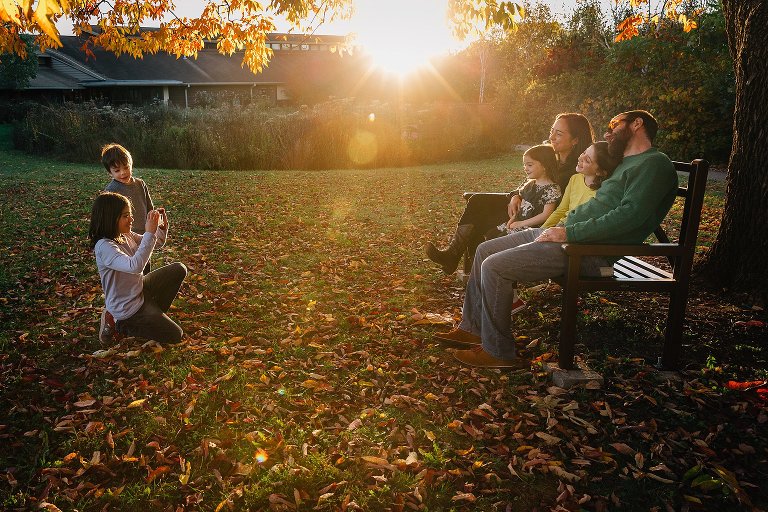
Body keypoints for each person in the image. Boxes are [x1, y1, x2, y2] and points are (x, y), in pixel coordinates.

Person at [435, 110, 678, 369]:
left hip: (590, 252)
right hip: (569, 235)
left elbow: (629, 217)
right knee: (485, 250)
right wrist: (560, 226)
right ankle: (473, 328)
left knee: (494, 266)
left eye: (615, 124)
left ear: (637, 124)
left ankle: (498, 352)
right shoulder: (623, 162)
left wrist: (568, 232)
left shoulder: (654, 164)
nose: (609, 131)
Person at [425, 113, 594, 275]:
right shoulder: (550, 157)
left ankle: (475, 267)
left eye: (559, 134)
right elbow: (530, 183)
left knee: (484, 220)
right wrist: (515, 195)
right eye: (552, 131)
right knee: (478, 201)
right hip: (525, 205)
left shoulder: (578, 169)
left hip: (536, 216)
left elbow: (556, 203)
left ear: (575, 140)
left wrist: (523, 216)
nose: (552, 137)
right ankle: (454, 254)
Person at [89, 191, 187, 344]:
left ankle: (154, 315)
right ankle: (118, 324)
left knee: (179, 269)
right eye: (125, 216)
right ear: (109, 218)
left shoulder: (124, 234)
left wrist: (159, 228)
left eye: (130, 214)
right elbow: (135, 266)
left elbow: (156, 242)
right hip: (127, 309)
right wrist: (149, 232)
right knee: (175, 335)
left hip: (140, 289)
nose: (131, 219)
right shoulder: (104, 246)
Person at [102, 143, 154, 274]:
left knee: (145, 267)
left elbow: (149, 207)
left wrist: (154, 222)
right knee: (132, 270)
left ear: (131, 164)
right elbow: (110, 220)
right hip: (125, 238)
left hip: (144, 234)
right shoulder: (111, 192)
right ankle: (133, 293)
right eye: (117, 170)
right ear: (110, 172)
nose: (123, 173)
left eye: (126, 167)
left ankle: (146, 291)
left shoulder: (140, 184)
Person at [489, 144, 561, 237]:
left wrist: (521, 224)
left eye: (530, 165)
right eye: (524, 165)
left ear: (545, 166)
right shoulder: (529, 185)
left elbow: (545, 215)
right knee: (491, 234)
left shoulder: (552, 189)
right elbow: (521, 208)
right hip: (517, 223)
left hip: (531, 229)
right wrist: (513, 220)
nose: (525, 168)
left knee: (498, 240)